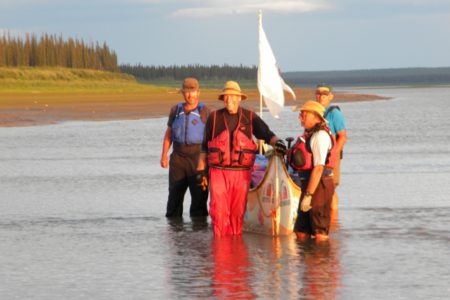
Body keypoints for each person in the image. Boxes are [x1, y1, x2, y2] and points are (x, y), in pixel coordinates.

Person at [197, 81, 286, 237]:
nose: (229, 100)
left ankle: (235, 250)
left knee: (237, 214)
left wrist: (278, 143)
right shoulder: (214, 118)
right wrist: (200, 172)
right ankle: (220, 250)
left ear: (239, 98)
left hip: (241, 174)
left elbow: (267, 134)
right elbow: (204, 147)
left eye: (232, 96)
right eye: (226, 97)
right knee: (218, 211)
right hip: (218, 173)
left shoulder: (250, 118)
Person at [160, 77, 210, 218]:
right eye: (187, 92)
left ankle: (198, 235)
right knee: (174, 201)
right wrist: (164, 155)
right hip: (178, 160)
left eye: (193, 91)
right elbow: (168, 134)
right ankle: (176, 236)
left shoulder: (205, 111)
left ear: (198, 92)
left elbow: (214, 136)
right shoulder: (175, 110)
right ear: (183, 93)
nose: (190, 95)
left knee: (199, 202)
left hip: (198, 160)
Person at [291, 101, 337, 241]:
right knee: (301, 231)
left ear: (315, 116)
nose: (300, 117)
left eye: (303, 114)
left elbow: (318, 168)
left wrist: (309, 195)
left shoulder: (320, 136)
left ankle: (321, 260)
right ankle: (304, 261)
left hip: (320, 186)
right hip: (309, 184)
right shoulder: (311, 135)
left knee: (319, 232)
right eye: (300, 114)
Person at [315, 84, 347, 210]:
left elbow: (343, 136)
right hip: (320, 154)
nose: (321, 96)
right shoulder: (316, 112)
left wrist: (333, 155)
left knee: (331, 188)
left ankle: (334, 220)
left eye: (325, 94)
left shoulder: (335, 113)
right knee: (321, 187)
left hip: (332, 155)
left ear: (330, 96)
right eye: (318, 93)